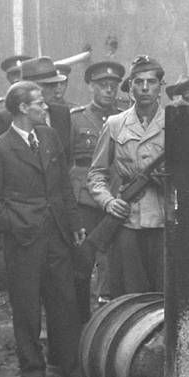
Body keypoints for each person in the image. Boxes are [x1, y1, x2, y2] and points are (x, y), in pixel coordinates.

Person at [0, 81, 84, 377]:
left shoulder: (49, 137)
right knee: (26, 306)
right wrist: (16, 223)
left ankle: (69, 367)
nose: (45, 106)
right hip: (22, 240)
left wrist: (74, 222)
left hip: (57, 235)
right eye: (38, 102)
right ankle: (32, 371)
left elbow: (63, 186)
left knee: (64, 301)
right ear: (22, 108)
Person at [87, 55, 166, 296]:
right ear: (129, 87)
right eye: (138, 82)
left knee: (164, 292)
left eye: (151, 82)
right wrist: (108, 202)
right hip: (129, 219)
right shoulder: (115, 123)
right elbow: (97, 174)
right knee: (131, 292)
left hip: (164, 219)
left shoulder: (174, 122)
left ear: (160, 87)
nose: (144, 88)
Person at [68, 60, 125, 316]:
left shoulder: (125, 117)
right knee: (82, 261)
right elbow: (66, 162)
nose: (109, 91)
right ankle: (80, 320)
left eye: (113, 86)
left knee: (114, 261)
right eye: (103, 85)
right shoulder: (76, 119)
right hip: (86, 201)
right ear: (91, 86)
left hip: (118, 195)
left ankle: (110, 317)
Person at [0, 57, 73, 159]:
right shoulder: (6, 118)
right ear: (30, 86)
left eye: (56, 84)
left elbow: (67, 157)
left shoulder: (62, 113)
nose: (56, 90)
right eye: (49, 85)